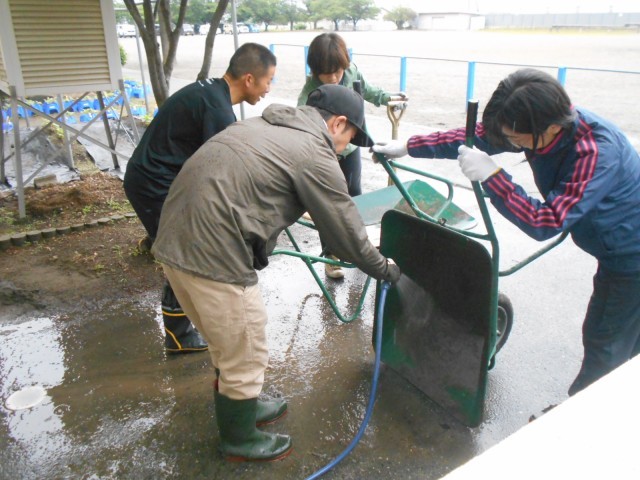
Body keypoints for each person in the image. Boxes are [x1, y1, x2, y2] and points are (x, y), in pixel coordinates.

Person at [151, 84, 401, 461]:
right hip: (213, 254)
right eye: (351, 137)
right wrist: (384, 269)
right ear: (338, 123)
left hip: (173, 240)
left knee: (226, 341)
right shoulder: (315, 152)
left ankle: (244, 403)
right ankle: (239, 440)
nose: (347, 147)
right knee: (247, 349)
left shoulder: (261, 125)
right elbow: (347, 231)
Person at [373, 68, 640, 397]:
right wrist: (409, 146)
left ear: (551, 127)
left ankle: (581, 419)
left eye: (517, 139)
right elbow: (476, 138)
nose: (511, 145)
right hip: (613, 242)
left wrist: (494, 177)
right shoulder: (543, 124)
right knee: (629, 339)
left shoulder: (595, 153)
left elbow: (546, 221)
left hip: (630, 254)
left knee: (606, 342)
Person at [123, 43, 276, 355]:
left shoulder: (210, 92)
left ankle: (155, 238)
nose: (268, 89)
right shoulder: (218, 111)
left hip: (153, 177)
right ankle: (178, 335)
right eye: (268, 80)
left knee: (176, 239)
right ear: (249, 79)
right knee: (184, 252)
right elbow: (224, 173)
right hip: (154, 184)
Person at [297, 32, 405, 279]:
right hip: (325, 154)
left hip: (350, 149)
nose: (334, 78)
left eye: (337, 71)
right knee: (328, 205)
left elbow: (367, 90)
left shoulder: (352, 72)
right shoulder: (311, 92)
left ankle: (360, 250)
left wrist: (388, 98)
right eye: (327, 74)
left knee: (355, 197)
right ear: (315, 71)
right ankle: (331, 256)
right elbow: (300, 117)